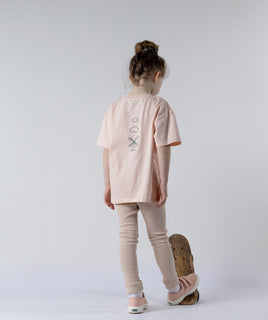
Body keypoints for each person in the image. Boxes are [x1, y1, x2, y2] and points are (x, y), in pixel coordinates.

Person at [96, 40, 199, 314]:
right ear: (157, 77)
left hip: (119, 182)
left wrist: (108, 185)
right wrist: (163, 182)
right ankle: (175, 289)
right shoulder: (159, 105)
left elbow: (107, 151)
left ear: (131, 77)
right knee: (158, 236)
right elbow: (162, 147)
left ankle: (135, 296)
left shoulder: (114, 108)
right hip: (147, 183)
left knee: (126, 237)